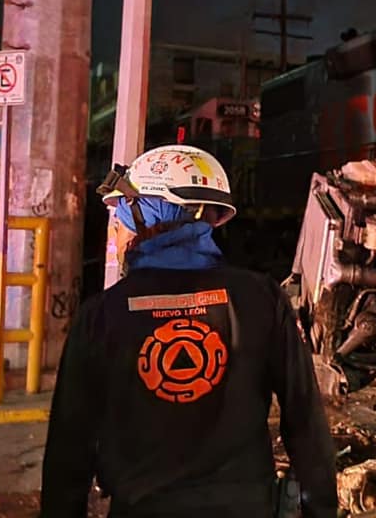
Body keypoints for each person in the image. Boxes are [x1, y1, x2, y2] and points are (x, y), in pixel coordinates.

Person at [41, 144, 337, 518]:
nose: (115, 230)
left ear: (150, 212)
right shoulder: (262, 298)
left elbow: (70, 448)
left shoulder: (101, 315)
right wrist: (321, 509)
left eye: (120, 215)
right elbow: (305, 422)